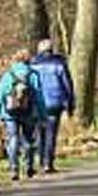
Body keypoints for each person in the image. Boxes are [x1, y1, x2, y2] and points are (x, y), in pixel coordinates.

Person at [0, 48, 46, 181]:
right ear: (28, 60)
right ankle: (29, 167)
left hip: (10, 113)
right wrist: (43, 114)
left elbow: (0, 96)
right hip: (29, 112)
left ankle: (14, 169)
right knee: (28, 140)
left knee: (13, 139)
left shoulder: (7, 75)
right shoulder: (33, 75)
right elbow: (39, 97)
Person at [31, 37, 75, 173]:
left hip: (38, 103)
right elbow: (67, 85)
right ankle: (48, 163)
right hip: (55, 103)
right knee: (51, 133)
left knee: (40, 133)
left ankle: (41, 160)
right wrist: (70, 103)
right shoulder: (59, 64)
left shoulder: (33, 65)